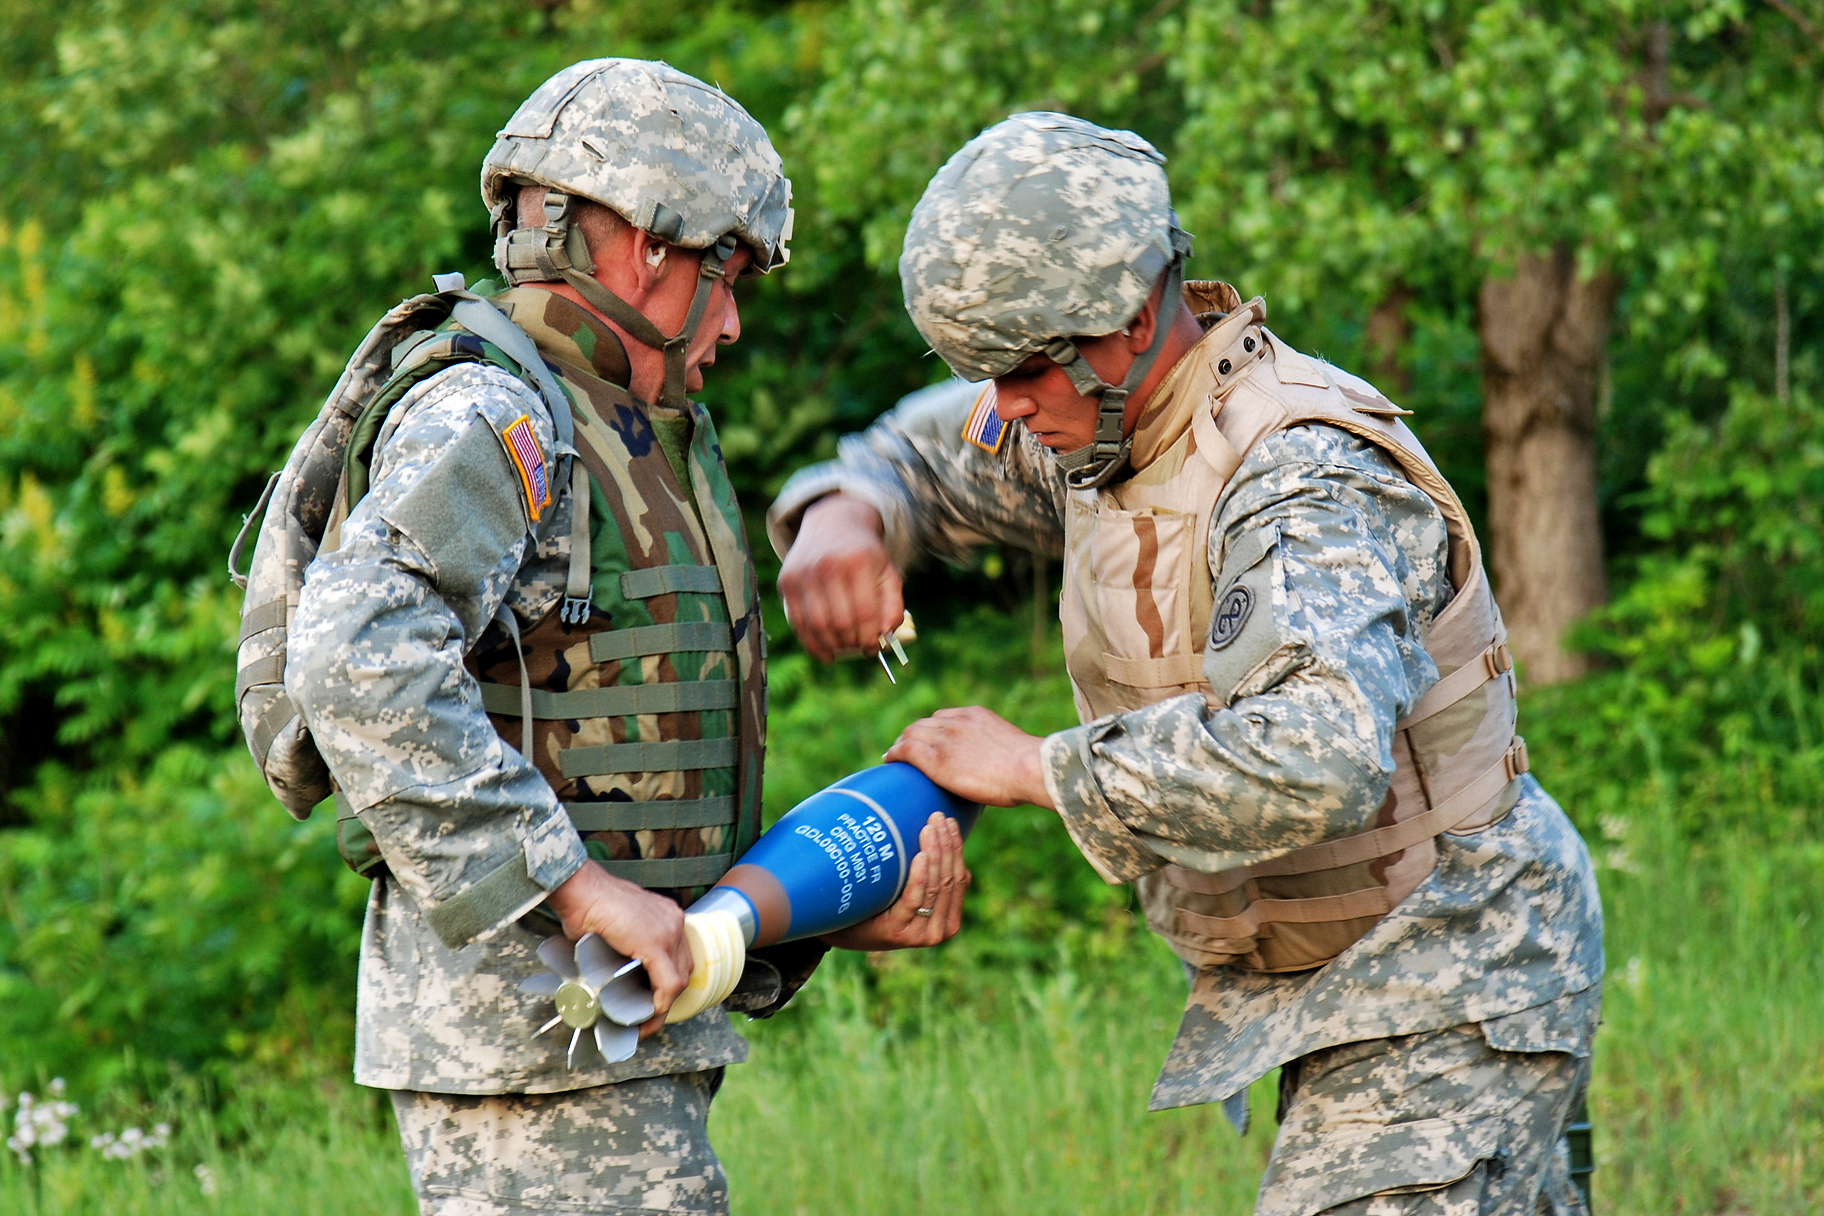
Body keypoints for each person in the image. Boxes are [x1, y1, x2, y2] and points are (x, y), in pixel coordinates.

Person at [769, 113, 1602, 1215]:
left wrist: (1035, 768)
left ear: (1120, 324)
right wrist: (850, 510)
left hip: (1452, 966)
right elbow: (927, 453)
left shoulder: (1302, 480)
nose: (1005, 407)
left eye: (1018, 371)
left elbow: (1319, 756)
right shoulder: (1100, 421)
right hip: (1342, 975)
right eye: (984, 371)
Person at [286, 59, 968, 1216]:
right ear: (650, 245)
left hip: (600, 1034)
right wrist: (572, 883)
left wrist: (795, 920)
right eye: (728, 271)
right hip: (531, 1053)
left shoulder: (611, 418)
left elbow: (616, 748)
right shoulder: (495, 411)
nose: (737, 318)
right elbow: (355, 658)